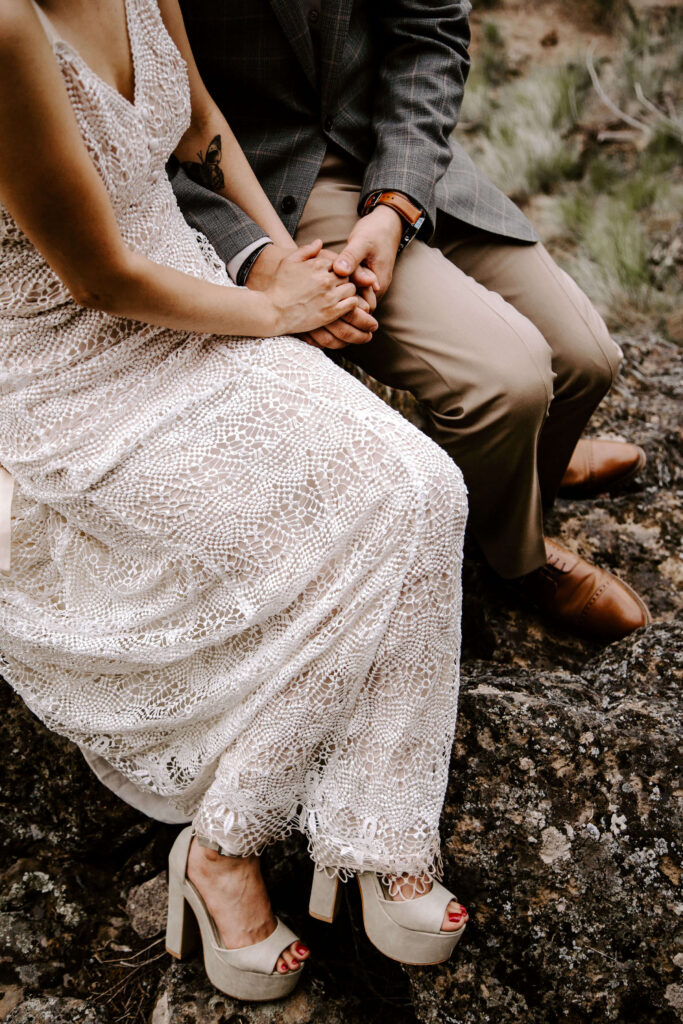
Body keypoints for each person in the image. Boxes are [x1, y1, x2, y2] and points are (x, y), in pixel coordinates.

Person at [0, 0, 471, 1002]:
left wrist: (288, 259)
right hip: (73, 375)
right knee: (304, 543)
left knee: (425, 487)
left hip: (197, 297)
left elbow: (202, 129)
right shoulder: (5, 30)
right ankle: (221, 849)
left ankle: (373, 824)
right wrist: (273, 309)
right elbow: (95, 276)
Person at [172, 0, 652, 644]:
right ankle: (516, 560)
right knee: (507, 381)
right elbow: (134, 131)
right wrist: (254, 255)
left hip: (408, 157)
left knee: (589, 359)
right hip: (272, 189)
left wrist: (397, 200)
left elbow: (430, 33)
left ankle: (522, 464)